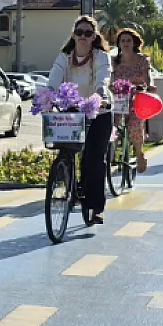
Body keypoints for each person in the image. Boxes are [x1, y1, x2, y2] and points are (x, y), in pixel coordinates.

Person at [46, 15, 113, 224]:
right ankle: (68, 179)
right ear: (73, 35)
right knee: (65, 147)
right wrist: (48, 95)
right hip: (73, 111)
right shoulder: (64, 57)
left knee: (94, 159)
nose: (83, 36)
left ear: (94, 37)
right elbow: (55, 77)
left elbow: (104, 76)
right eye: (79, 32)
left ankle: (96, 207)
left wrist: (101, 95)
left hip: (98, 112)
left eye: (88, 33)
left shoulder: (100, 56)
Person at [109, 27, 152, 174]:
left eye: (129, 40)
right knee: (112, 123)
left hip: (136, 96)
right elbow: (110, 78)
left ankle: (139, 153)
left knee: (134, 124)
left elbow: (147, 76)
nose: (126, 43)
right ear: (119, 44)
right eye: (123, 40)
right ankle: (110, 153)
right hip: (119, 96)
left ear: (134, 43)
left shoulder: (142, 60)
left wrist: (149, 86)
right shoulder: (114, 61)